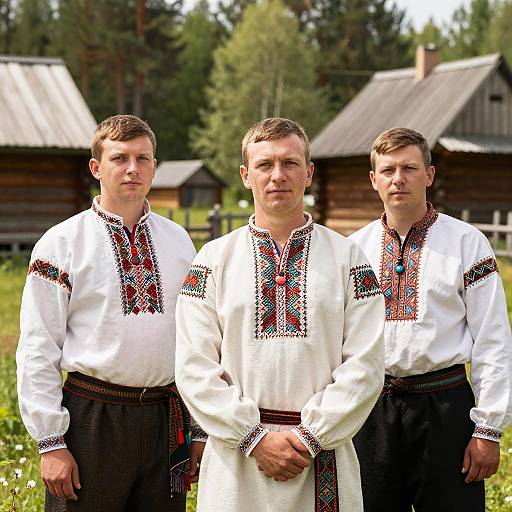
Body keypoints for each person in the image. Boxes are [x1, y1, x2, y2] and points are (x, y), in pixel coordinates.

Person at [175, 117, 385, 512]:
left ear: (309, 173)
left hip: (320, 456)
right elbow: (193, 366)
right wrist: (253, 437)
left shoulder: (347, 258)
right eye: (265, 165)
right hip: (237, 456)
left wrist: (310, 436)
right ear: (245, 174)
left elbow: (366, 363)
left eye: (290, 163)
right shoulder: (214, 260)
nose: (277, 176)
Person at [16, 115, 204, 511]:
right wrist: (51, 442)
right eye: (120, 158)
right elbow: (38, 346)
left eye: (143, 158)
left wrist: (198, 429)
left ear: (155, 166)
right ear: (96, 167)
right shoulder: (62, 243)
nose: (133, 169)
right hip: (92, 417)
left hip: (163, 417)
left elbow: (200, 340)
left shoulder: (180, 242)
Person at [350, 127, 512, 512]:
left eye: (409, 168)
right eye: (388, 170)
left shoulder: (466, 242)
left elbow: (492, 338)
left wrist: (488, 429)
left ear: (430, 174)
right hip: (372, 410)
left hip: (445, 408)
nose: (398, 179)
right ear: (374, 180)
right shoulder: (354, 249)